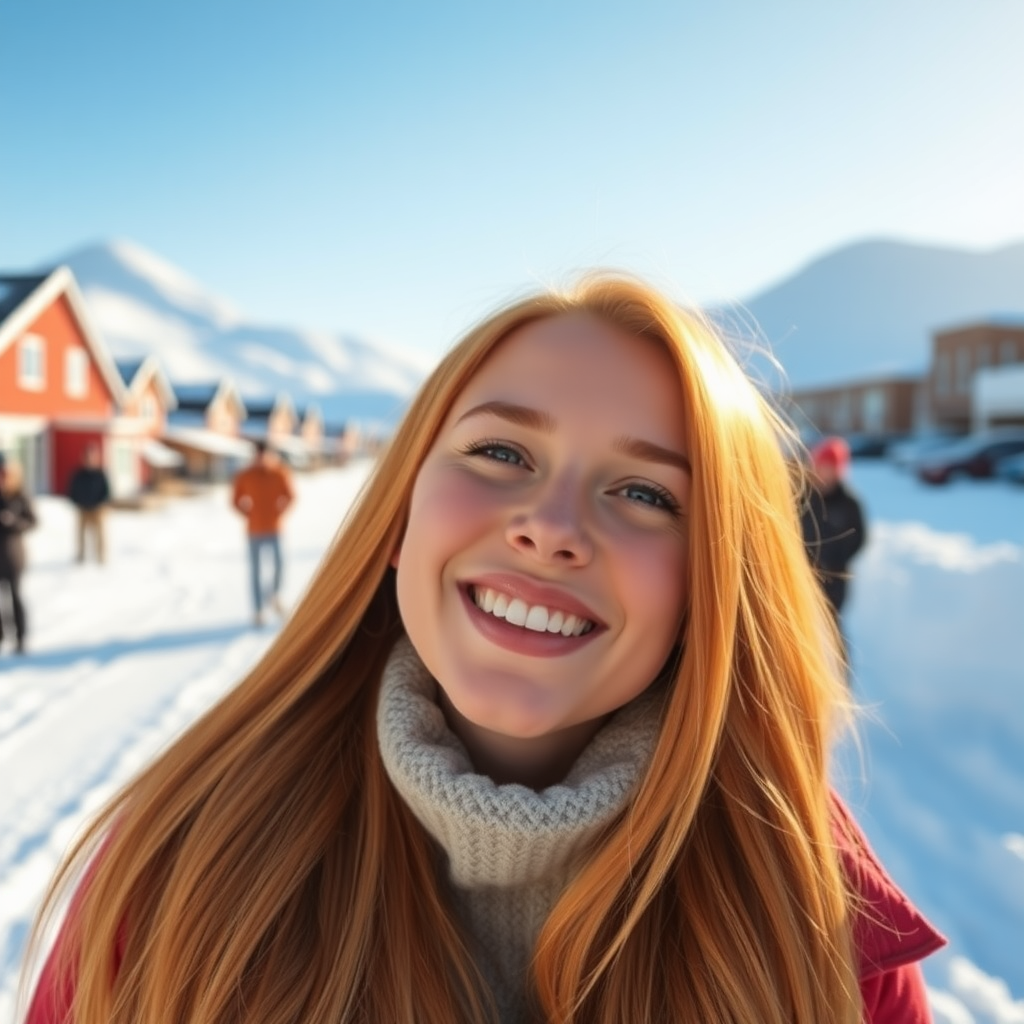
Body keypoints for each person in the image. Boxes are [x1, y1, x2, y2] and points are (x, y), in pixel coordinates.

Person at [22, 275, 943, 1024]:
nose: (549, 528)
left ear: (713, 586)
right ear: (398, 517)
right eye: (502, 453)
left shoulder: (812, 914)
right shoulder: (181, 868)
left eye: (647, 494)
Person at [800, 436, 867, 629]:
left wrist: (836, 560)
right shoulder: (803, 497)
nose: (826, 473)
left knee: (830, 626)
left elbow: (859, 538)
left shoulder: (849, 503)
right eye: (823, 466)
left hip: (835, 580)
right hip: (805, 574)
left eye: (832, 468)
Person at [231, 440, 295, 626]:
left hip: (275, 528)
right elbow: (235, 500)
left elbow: (290, 496)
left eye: (265, 455)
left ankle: (274, 595)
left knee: (280, 564)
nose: (261, 459)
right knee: (255, 571)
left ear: (270, 454)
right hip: (254, 531)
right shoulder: (245, 475)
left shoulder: (279, 472)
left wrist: (279, 512)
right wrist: (248, 513)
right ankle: (258, 610)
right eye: (258, 455)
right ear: (254, 455)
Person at [0, 455, 37, 655]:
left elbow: (33, 521)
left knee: (14, 596)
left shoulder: (20, 495)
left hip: (14, 556)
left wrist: (13, 522)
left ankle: (20, 637)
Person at [67, 444, 111, 564]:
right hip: (83, 508)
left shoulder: (100, 474)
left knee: (100, 535)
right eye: (87, 457)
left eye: (92, 456)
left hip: (97, 509)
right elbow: (72, 490)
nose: (89, 459)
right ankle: (81, 556)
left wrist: (101, 503)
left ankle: (101, 557)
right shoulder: (78, 474)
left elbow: (107, 492)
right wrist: (76, 501)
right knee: (80, 534)